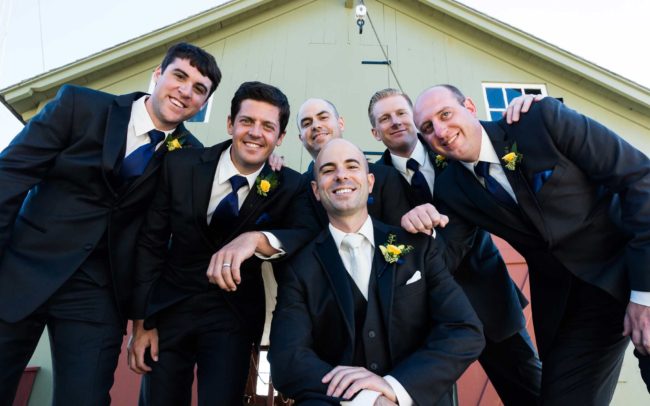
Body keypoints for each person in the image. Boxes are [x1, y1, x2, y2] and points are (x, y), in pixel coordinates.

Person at [0, 42, 219, 405]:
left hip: (100, 292)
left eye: (199, 89)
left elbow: (173, 241)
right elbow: (10, 175)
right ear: (157, 74)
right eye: (180, 76)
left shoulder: (192, 159)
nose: (186, 91)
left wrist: (263, 160)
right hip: (23, 266)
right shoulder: (79, 106)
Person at [407, 84, 650, 404]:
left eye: (445, 114)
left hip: (634, 265)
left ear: (470, 106)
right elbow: (447, 255)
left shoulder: (539, 120)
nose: (440, 130)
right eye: (427, 127)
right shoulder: (451, 188)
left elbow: (638, 180)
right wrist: (415, 227)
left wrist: (645, 294)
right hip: (575, 308)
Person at [128, 81, 319, 405]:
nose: (255, 133)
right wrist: (141, 324)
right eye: (247, 121)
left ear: (280, 137)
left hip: (233, 318)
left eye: (267, 126)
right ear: (231, 123)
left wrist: (256, 239)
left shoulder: (289, 184)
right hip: (169, 312)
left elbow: (305, 232)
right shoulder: (181, 165)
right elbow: (151, 244)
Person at [269, 138, 485, 405]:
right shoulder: (300, 266)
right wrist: (367, 397)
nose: (341, 176)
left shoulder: (417, 246)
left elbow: (464, 330)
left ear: (370, 182)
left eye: (351, 166)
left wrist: (395, 387)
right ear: (315, 190)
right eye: (328, 170)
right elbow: (286, 358)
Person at [367, 88, 541, 404]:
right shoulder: (371, 181)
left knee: (532, 393)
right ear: (375, 132)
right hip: (421, 322)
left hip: (488, 302)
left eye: (402, 113)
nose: (395, 122)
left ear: (416, 119)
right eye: (384, 118)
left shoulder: (455, 149)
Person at [296, 98, 410, 227]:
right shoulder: (300, 187)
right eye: (306, 123)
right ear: (301, 138)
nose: (316, 125)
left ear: (341, 123)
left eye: (323, 117)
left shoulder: (386, 176)